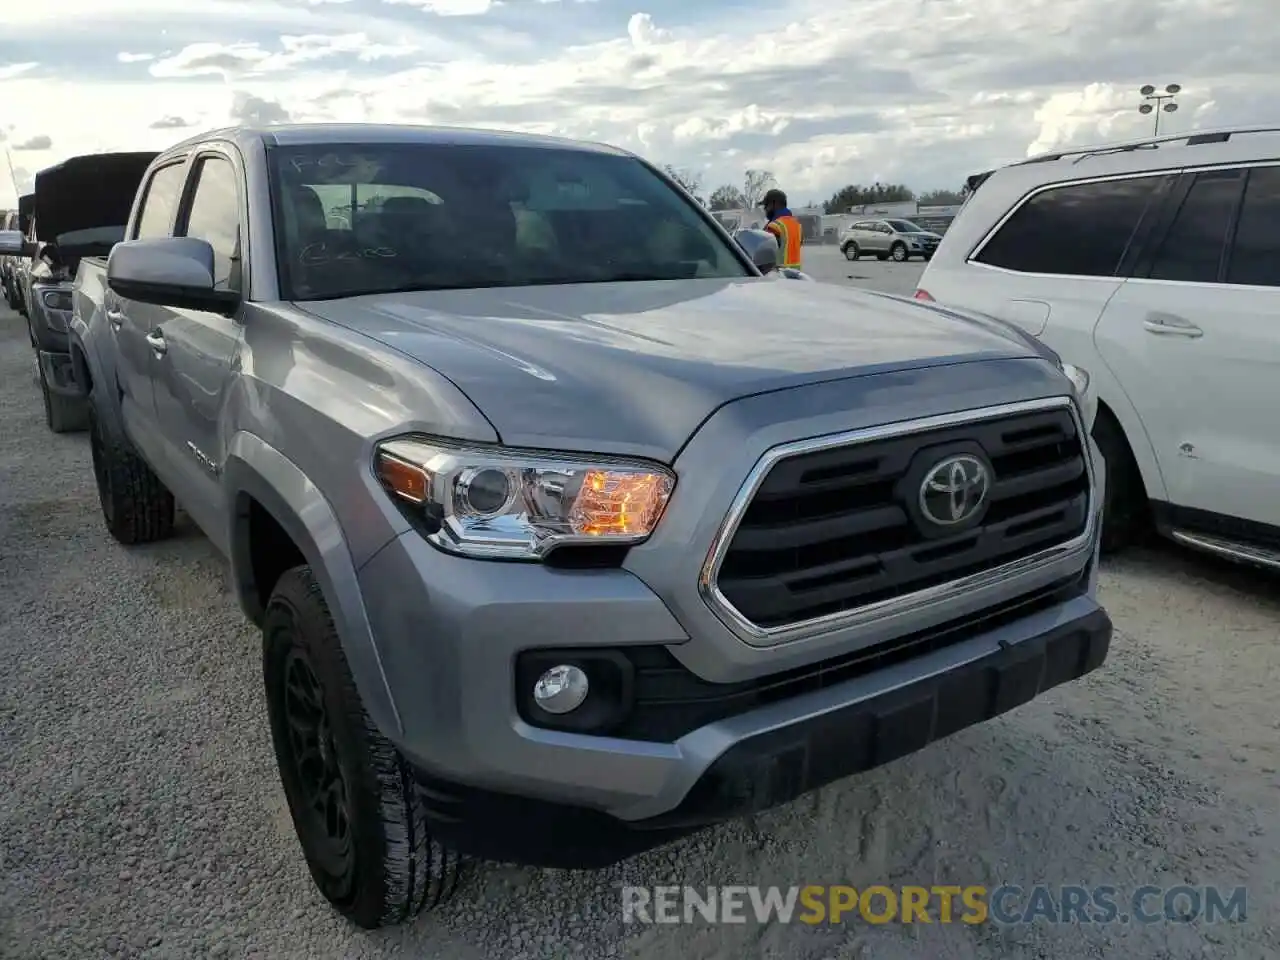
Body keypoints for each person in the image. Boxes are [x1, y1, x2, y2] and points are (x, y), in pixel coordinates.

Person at [761, 188, 802, 269]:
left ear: (775, 204)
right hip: (795, 276)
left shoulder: (774, 227)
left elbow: (763, 254)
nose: (765, 209)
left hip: (777, 276)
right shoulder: (797, 225)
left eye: (766, 205)